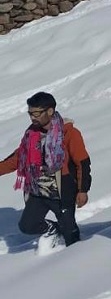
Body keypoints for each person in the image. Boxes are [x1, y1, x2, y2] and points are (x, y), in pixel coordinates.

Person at [0, 92, 91, 247]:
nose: (32, 117)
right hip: (38, 192)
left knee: (72, 238)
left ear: (50, 111)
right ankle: (55, 229)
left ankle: (73, 247)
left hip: (62, 194)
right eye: (30, 113)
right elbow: (18, 157)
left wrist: (83, 190)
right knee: (27, 226)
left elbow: (82, 162)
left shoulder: (69, 133)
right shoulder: (31, 134)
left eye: (36, 113)